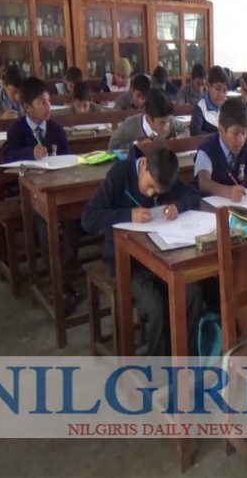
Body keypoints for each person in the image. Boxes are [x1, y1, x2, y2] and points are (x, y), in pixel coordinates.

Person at [81, 146, 203, 356]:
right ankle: (159, 367)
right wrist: (129, 215)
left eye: (157, 191)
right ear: (144, 164)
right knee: (156, 306)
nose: (151, 193)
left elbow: (193, 193)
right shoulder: (120, 174)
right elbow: (88, 218)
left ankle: (185, 358)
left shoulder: (164, 173)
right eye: (150, 186)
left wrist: (178, 206)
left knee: (192, 292)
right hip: (127, 261)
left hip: (161, 256)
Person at [2, 77, 82, 313]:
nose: (48, 107)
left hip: (58, 190)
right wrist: (29, 153)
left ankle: (65, 280)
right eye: (41, 102)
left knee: (74, 224)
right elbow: (6, 156)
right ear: (27, 107)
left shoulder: (55, 129)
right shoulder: (18, 129)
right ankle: (57, 282)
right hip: (30, 193)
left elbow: (66, 159)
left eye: (48, 101)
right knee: (44, 227)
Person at [195, 96, 247, 201]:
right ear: (221, 130)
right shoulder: (207, 149)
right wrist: (227, 192)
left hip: (240, 205)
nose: (241, 139)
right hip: (212, 206)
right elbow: (204, 183)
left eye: (244, 132)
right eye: (235, 133)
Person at [107, 89, 189, 152]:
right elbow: (111, 147)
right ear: (148, 118)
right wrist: (136, 147)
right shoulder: (129, 125)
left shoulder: (169, 120)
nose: (166, 127)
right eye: (162, 123)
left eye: (168, 120)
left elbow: (185, 129)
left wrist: (179, 138)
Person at [189, 65, 228, 135]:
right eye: (218, 88)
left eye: (225, 90)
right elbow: (194, 133)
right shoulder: (200, 107)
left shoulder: (228, 106)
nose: (221, 94)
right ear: (208, 86)